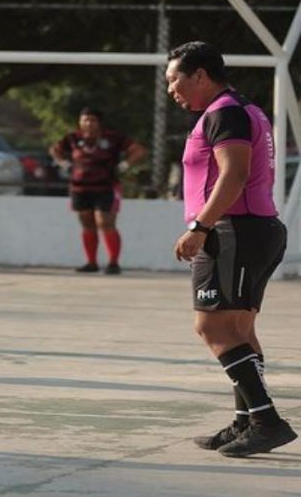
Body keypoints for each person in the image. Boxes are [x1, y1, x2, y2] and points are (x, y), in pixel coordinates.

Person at [167, 41, 296, 457]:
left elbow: (233, 174)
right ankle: (247, 422)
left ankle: (266, 421)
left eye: (175, 80)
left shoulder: (225, 112)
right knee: (240, 331)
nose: (171, 89)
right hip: (253, 229)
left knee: (212, 328)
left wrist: (200, 227)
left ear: (200, 75)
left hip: (234, 231)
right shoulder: (240, 108)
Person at [49, 107, 146, 275]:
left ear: (99, 122)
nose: (88, 123)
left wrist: (125, 165)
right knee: (87, 224)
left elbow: (139, 150)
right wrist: (63, 163)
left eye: (92, 120)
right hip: (80, 187)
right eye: (84, 120)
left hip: (106, 187)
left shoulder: (113, 138)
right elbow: (55, 149)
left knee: (105, 223)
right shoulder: (73, 138)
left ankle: (113, 263)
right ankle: (91, 262)